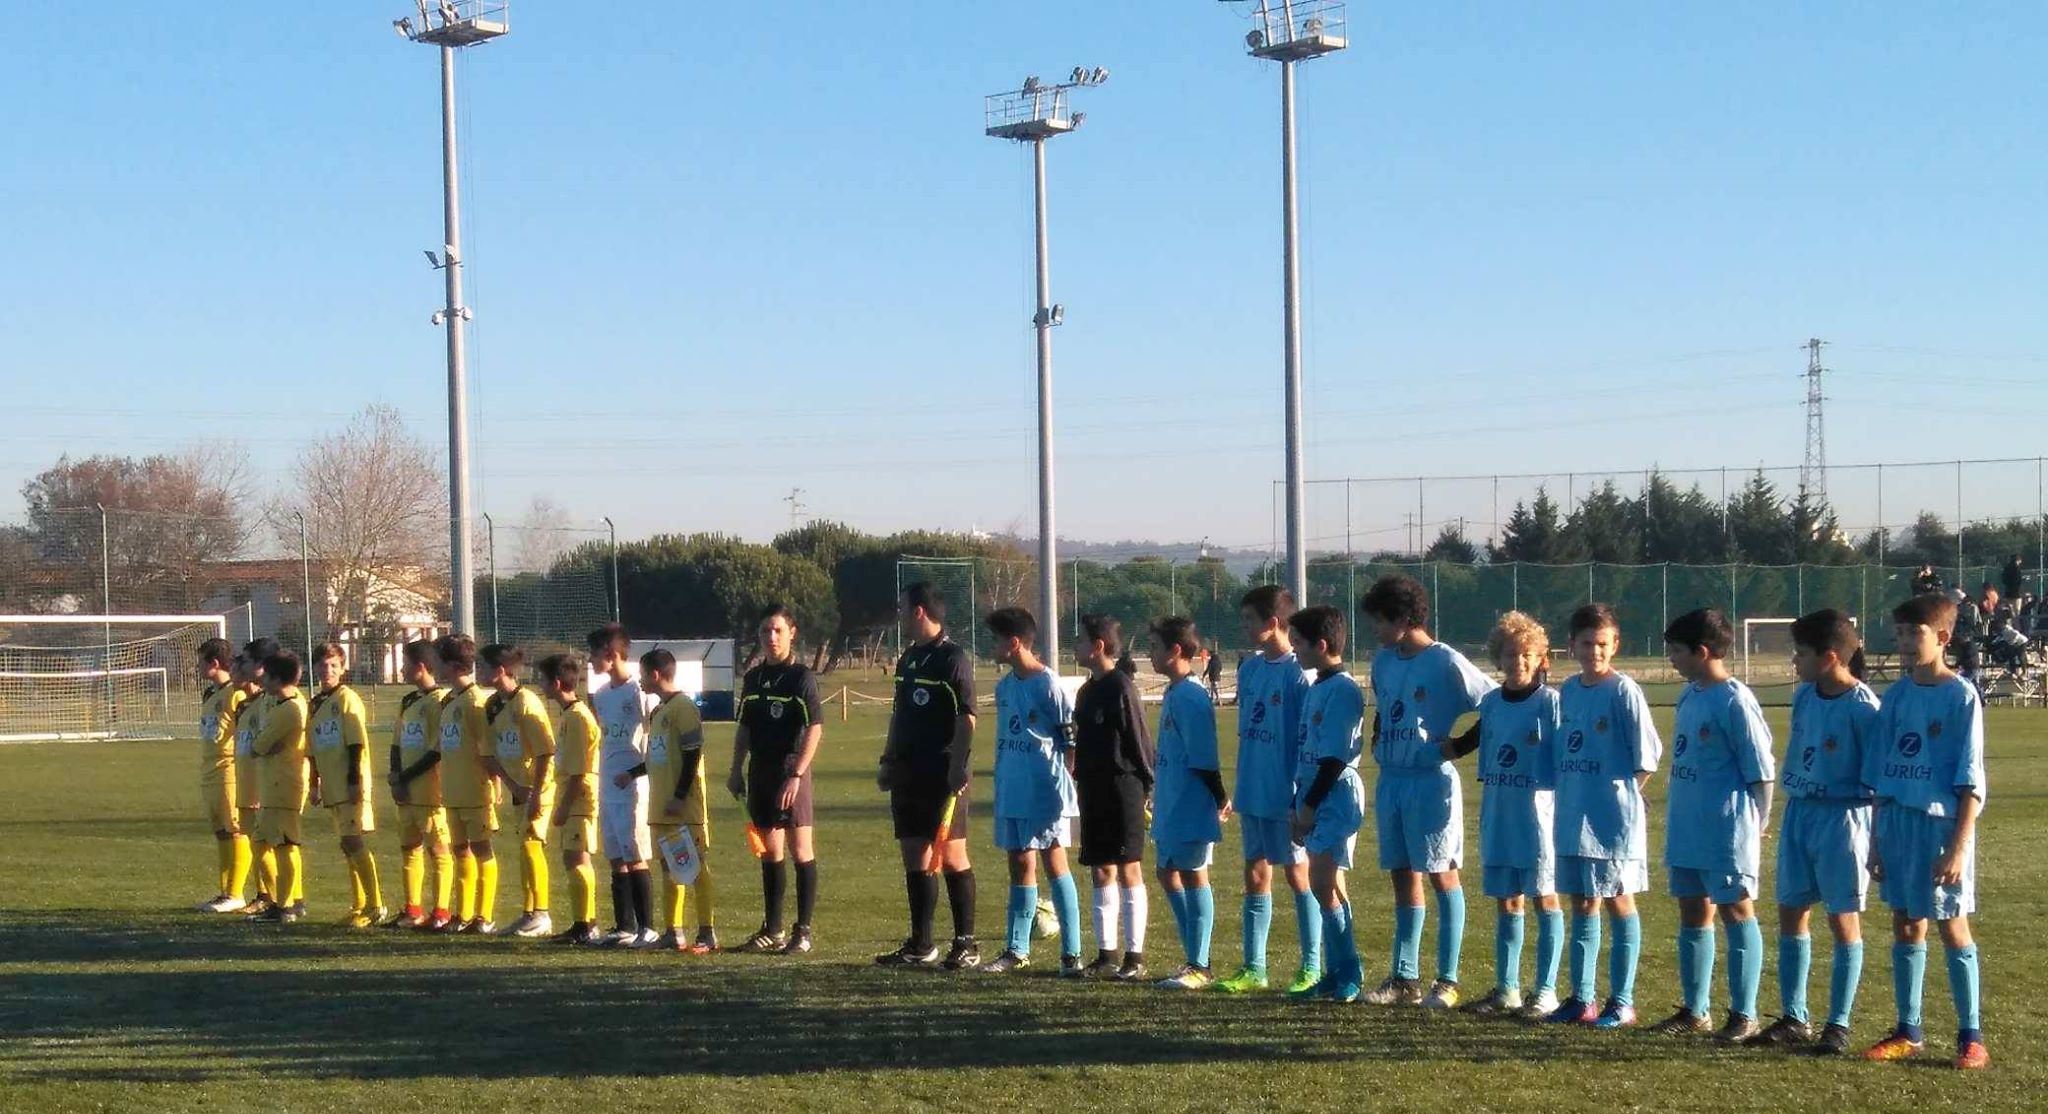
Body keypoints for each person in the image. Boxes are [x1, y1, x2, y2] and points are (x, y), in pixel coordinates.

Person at [1357, 574, 1496, 1009]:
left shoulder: (1446, 661)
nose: (1375, 631)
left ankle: (1448, 980)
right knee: (1402, 875)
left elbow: (1495, 705)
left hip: (1430, 784)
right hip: (1392, 781)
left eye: (1380, 621)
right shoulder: (1383, 661)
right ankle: (1404, 977)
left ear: (1402, 618)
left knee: (1442, 874)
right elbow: (1386, 707)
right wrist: (1380, 736)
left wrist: (1455, 746)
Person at [1863, 592, 1989, 1070]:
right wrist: (1875, 839)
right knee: (1905, 921)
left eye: (1913, 634)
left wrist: (1958, 847)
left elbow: (1971, 779)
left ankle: (1971, 1036)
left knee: (1951, 925)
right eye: (1899, 634)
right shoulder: (1894, 697)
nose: (1904, 643)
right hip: (1897, 822)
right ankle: (1908, 1029)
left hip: (1940, 827)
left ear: (1942, 637)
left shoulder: (1961, 697)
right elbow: (1879, 775)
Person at [1746, 609, 1879, 1054]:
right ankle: (1793, 1016)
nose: (1793, 662)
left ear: (1829, 657)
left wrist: (1875, 839)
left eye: (1800, 653)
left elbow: (1877, 779)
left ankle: (1837, 1024)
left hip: (1844, 818)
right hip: (1800, 812)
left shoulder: (1864, 709)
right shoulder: (1805, 696)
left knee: (1842, 919)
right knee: (1791, 911)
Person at [1653, 610, 1776, 1044]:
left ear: (1702, 653)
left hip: (1727, 828)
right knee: (1692, 911)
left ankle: (1745, 1014)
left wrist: (1757, 824)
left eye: (1676, 651)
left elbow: (1761, 771)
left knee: (1736, 910)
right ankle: (1694, 1009)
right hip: (1688, 825)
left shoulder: (1734, 700)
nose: (1671, 658)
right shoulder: (1690, 695)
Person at [1547, 604, 1662, 1028]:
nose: (1594, 651)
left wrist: (1622, 799)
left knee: (1618, 900)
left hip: (1612, 821)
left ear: (1615, 646)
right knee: (1583, 902)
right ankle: (1582, 999)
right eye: (1586, 643)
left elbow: (1647, 757)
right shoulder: (1570, 691)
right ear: (1572, 646)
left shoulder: (1624, 691)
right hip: (1573, 815)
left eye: (1602, 644)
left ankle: (1623, 1001)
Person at [1444, 611, 1563, 1020]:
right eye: (1511, 654)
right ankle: (1507, 989)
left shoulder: (1550, 702)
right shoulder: (1492, 703)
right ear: (1498, 659)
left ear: (1541, 658)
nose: (1519, 662)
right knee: (1507, 902)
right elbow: (1471, 740)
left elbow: (1565, 759)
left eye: (1527, 654)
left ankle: (1545, 990)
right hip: (1499, 812)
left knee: (1545, 899)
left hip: (1538, 818)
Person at [1217, 585, 1318, 996]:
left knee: (1298, 874)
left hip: (1286, 791)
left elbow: (1306, 737)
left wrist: (1301, 794)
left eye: (1249, 621)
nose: (1244, 627)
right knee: (1255, 872)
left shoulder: (1300, 673)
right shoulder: (1250, 669)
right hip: (1253, 788)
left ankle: (1311, 965)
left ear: (1273, 623)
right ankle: (1253, 966)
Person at [875, 583, 980, 971]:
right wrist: (888, 759)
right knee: (914, 854)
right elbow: (898, 713)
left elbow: (967, 717)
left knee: (951, 854)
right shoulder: (908, 659)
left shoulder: (952, 659)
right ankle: (921, 943)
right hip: (907, 770)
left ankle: (966, 943)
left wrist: (957, 765)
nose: (899, 614)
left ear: (918, 611)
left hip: (941, 773)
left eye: (902, 607)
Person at [975, 607, 1082, 975]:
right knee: (1019, 864)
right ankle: (1016, 950)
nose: (992, 646)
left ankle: (1072, 953)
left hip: (1044, 792)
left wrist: (1068, 779)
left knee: (1055, 862)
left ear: (1014, 642)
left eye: (996, 639)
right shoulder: (1004, 687)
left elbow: (1070, 739)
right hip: (1012, 789)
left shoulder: (1049, 685)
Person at [727, 604, 824, 955]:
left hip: (789, 774)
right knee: (770, 852)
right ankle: (773, 929)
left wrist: (797, 773)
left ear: (791, 633)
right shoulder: (753, 679)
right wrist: (736, 768)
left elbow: (815, 727)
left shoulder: (801, 678)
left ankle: (803, 932)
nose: (771, 637)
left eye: (778, 630)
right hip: (761, 773)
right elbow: (745, 728)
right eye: (766, 630)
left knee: (801, 851)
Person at [1285, 605, 1368, 1003]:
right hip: (1312, 791)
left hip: (1334, 794)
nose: (1293, 649)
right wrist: (1296, 800)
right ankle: (1337, 972)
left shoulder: (1344, 690)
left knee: (1320, 882)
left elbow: (1334, 758)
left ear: (1321, 645)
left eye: (1297, 643)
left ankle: (1349, 969)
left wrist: (1309, 808)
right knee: (1329, 882)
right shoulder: (1317, 686)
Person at [1071, 614, 1154, 981]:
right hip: (1092, 789)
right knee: (1100, 869)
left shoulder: (1122, 687)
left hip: (1124, 789)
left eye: (1079, 641)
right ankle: (1106, 955)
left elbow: (1139, 742)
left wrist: (1148, 786)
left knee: (1129, 868)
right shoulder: (1087, 691)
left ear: (1098, 646)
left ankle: (1134, 957)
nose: (1075, 647)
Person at [1149, 616, 1229, 990]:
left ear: (1175, 651)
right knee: (1166, 872)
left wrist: (1219, 798)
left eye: (1154, 647)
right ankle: (1194, 955)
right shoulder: (1174, 692)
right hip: (1170, 800)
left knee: (1195, 874)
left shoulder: (1192, 697)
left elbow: (1203, 757)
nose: (1150, 654)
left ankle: (1200, 964)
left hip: (1190, 801)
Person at [480, 644, 557, 939]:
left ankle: (542, 913)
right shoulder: (493, 706)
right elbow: (488, 753)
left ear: (500, 671)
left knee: (531, 845)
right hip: (519, 790)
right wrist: (512, 786)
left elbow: (545, 752)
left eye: (485, 668)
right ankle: (528, 913)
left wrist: (536, 792)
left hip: (540, 788)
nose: (480, 673)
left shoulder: (527, 702)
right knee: (524, 850)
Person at [643, 648, 717, 953]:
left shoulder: (683, 707)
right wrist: (630, 773)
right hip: (660, 807)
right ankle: (673, 931)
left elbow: (691, 755)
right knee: (669, 868)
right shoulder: (659, 711)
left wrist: (679, 795)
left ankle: (707, 932)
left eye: (643, 674)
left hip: (681, 807)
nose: (641, 681)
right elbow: (656, 758)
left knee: (696, 866)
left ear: (655, 675)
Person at [587, 625, 657, 948]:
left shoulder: (639, 692)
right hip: (608, 785)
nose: (591, 660)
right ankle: (624, 926)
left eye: (594, 653)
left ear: (612, 655)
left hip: (634, 786)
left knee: (635, 853)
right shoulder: (600, 697)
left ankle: (648, 927)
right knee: (615, 855)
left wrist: (637, 771)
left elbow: (657, 738)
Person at [307, 642, 384, 929]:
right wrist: (314, 783)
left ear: (343, 669)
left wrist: (355, 781)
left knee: (353, 841)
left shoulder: (347, 699)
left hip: (350, 783)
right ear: (315, 668)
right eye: (323, 665)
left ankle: (375, 905)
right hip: (332, 785)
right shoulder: (315, 704)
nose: (327, 670)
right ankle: (359, 905)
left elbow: (356, 744)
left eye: (333, 666)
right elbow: (312, 749)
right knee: (345, 844)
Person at [386, 638, 454, 930]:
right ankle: (412, 909)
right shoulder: (408, 701)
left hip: (429, 791)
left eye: (405, 663)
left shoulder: (440, 702)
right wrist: (395, 775)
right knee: (409, 848)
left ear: (421, 667)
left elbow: (436, 751)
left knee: (438, 851)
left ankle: (441, 912)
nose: (401, 669)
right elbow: (397, 743)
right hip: (406, 790)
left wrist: (405, 777)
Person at [433, 634, 498, 935]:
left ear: (454, 665)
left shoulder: (475, 702)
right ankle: (464, 913)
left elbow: (487, 747)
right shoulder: (449, 702)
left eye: (438, 660)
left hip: (475, 790)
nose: (433, 665)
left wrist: (494, 783)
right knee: (460, 851)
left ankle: (483, 916)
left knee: (482, 849)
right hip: (453, 790)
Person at [541, 652, 603, 946]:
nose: (540, 685)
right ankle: (582, 922)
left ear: (555, 682)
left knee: (578, 859)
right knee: (572, 858)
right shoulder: (568, 714)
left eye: (542, 679)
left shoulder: (578, 717)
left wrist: (563, 806)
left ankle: (586, 925)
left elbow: (580, 770)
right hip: (572, 795)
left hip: (579, 797)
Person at [250, 650, 310, 925]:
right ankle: (290, 900)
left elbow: (259, 745)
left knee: (286, 844)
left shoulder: (288, 709)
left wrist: (263, 745)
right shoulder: (287, 704)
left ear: (276, 678)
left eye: (267, 675)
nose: (262, 681)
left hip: (284, 783)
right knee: (264, 841)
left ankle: (286, 905)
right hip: (274, 783)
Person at [193, 638, 251, 913]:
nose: (198, 666)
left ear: (214, 663)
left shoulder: (235, 694)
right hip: (209, 770)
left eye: (201, 661)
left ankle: (236, 893)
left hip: (229, 770)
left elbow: (243, 735)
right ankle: (224, 891)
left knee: (235, 830)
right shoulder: (210, 694)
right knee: (221, 833)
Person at [233, 639, 281, 918]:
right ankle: (267, 896)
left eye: (247, 662)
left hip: (266, 784)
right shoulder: (253, 703)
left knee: (269, 843)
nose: (242, 667)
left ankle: (277, 898)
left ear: (261, 667)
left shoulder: (276, 701)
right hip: (248, 780)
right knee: (256, 842)